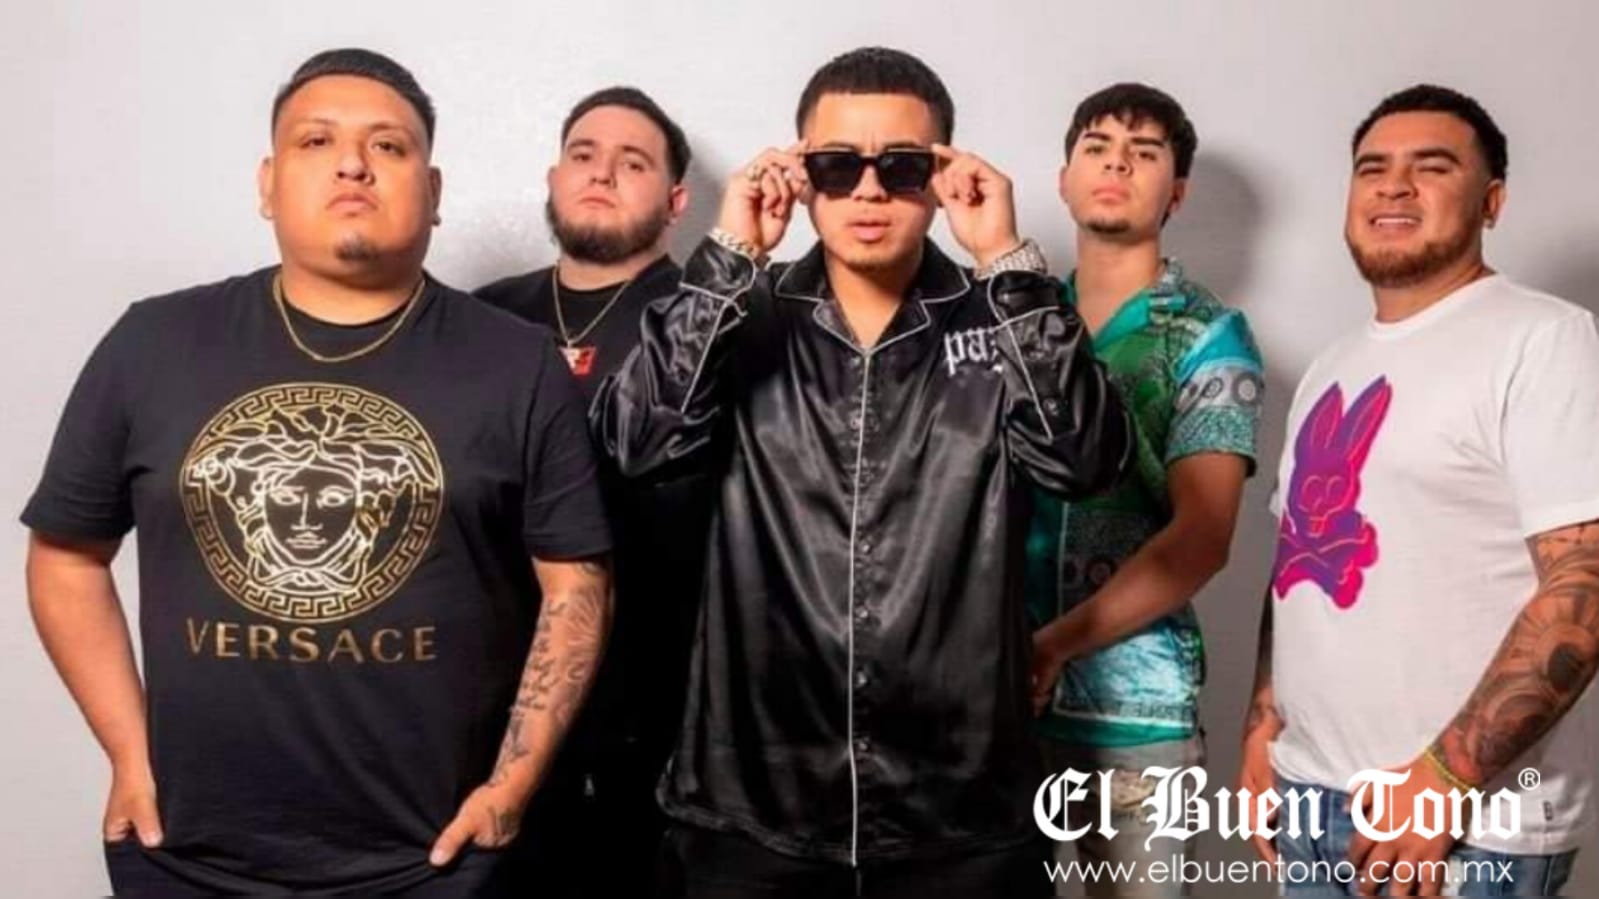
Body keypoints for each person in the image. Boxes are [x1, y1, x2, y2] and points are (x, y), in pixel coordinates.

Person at [22, 48, 611, 896]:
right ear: (267, 184)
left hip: (434, 862)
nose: (352, 164)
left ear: (433, 192)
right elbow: (65, 556)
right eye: (316, 141)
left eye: (388, 146)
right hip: (185, 853)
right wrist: (127, 752)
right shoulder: (150, 344)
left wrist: (509, 790)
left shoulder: (518, 364)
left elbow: (575, 585)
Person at [594, 46, 1133, 898]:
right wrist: (728, 255)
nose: (869, 191)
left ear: (943, 177)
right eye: (838, 166)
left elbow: (1085, 460)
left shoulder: (1003, 316)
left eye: (902, 166)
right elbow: (638, 443)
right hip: (754, 809)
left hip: (962, 817)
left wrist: (1008, 264)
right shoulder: (741, 313)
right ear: (800, 175)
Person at [1239, 84, 1599, 896]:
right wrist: (1264, 724)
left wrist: (1444, 776)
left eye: (1431, 167)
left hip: (1462, 826)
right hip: (1309, 793)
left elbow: (1585, 576)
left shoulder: (1543, 339)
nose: (1393, 186)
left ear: (1490, 201)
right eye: (1372, 169)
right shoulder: (1333, 363)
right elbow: (1297, 560)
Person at [1027, 82, 1264, 898]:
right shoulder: (1018, 321)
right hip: (997, 703)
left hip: (1137, 713)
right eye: (1095, 147)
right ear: (1063, 179)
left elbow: (1202, 537)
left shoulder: (1207, 335)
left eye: (1144, 152)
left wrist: (1053, 644)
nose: (1116, 164)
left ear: (1177, 192)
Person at [476, 85, 708, 897]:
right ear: (554, 177)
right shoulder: (481, 318)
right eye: (583, 154)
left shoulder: (705, 322)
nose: (601, 173)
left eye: (632, 162)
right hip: (489, 705)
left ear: (675, 201)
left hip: (655, 717)